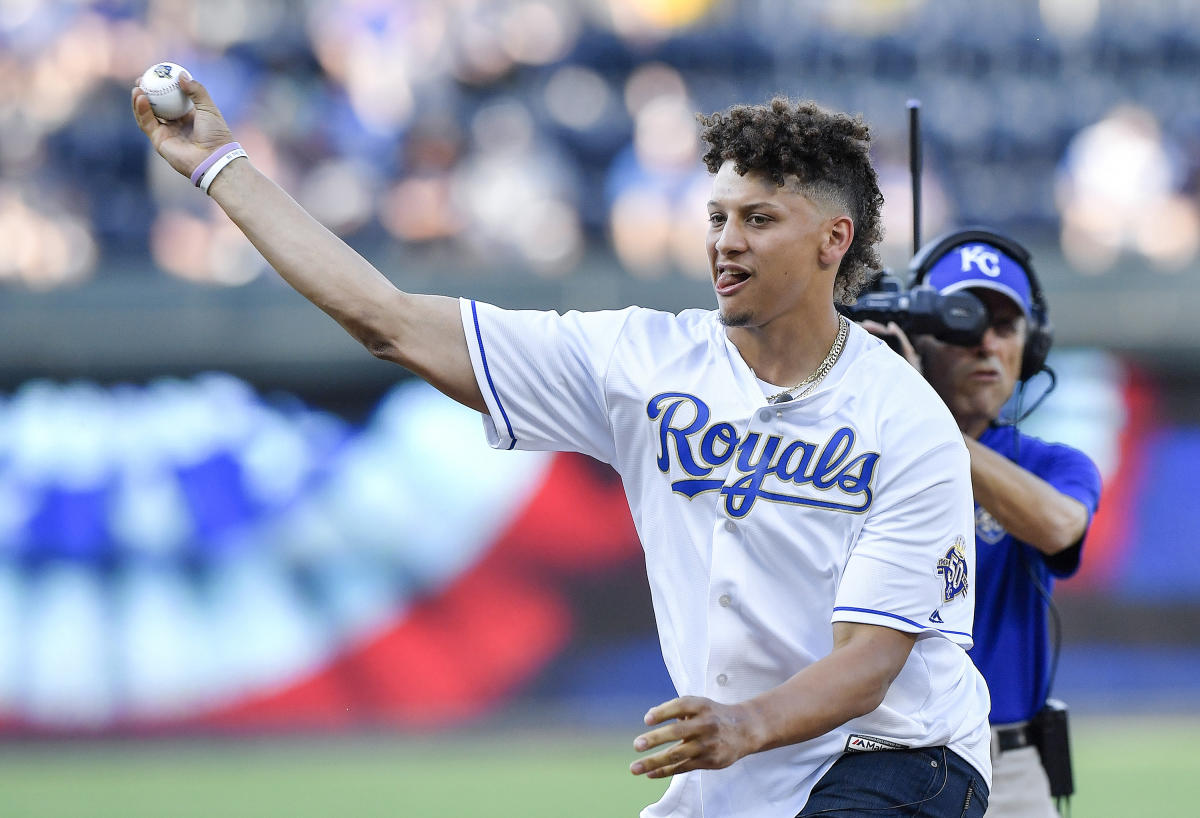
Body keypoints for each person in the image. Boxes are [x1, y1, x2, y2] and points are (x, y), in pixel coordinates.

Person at [133, 82, 991, 817]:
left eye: (760, 219)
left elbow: (870, 663)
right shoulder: (644, 361)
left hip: (900, 757)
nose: (726, 240)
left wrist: (743, 725)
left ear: (832, 241)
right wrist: (219, 166)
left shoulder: (902, 418)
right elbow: (387, 320)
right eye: (718, 216)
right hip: (744, 767)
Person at [863, 230, 1102, 818]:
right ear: (916, 337)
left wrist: (920, 413)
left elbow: (1061, 528)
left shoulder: (1050, 465)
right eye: (963, 323)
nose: (987, 344)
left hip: (1010, 765)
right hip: (875, 756)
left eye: (1006, 326)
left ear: (1033, 345)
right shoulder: (856, 445)